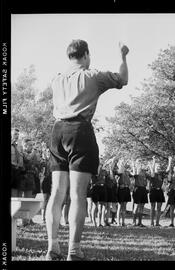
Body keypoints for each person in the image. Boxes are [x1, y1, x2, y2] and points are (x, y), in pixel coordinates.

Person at [45, 39, 129, 261]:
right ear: (85, 55)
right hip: (80, 130)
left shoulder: (56, 80)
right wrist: (123, 56)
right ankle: (74, 250)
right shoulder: (92, 76)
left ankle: (52, 248)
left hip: (57, 131)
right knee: (77, 194)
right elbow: (123, 79)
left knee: (56, 193)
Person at [148, 156, 166, 227]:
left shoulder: (161, 175)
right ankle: (152, 222)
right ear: (155, 167)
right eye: (157, 166)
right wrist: (154, 161)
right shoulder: (152, 174)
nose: (158, 167)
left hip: (160, 192)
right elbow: (152, 170)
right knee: (152, 207)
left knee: (159, 207)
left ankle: (157, 222)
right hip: (153, 191)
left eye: (159, 166)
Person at [114, 158, 131, 226]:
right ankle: (118, 222)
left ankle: (123, 222)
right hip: (121, 189)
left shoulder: (127, 172)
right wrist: (120, 163)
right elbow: (120, 171)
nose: (123, 164)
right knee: (120, 206)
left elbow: (133, 174)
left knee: (124, 206)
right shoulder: (119, 171)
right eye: (122, 163)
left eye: (124, 164)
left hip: (127, 189)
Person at [131, 158, 148, 227]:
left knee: (142, 206)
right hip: (137, 189)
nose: (140, 163)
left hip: (143, 189)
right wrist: (134, 166)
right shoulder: (135, 170)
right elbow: (134, 174)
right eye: (139, 162)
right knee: (136, 206)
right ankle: (134, 222)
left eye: (141, 162)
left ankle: (140, 222)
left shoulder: (144, 172)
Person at [40, 147, 52, 223]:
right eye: (47, 151)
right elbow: (41, 170)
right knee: (45, 199)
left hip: (53, 180)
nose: (49, 153)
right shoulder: (43, 161)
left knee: (51, 199)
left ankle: (49, 216)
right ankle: (43, 217)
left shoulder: (53, 160)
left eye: (49, 151)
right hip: (45, 180)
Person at [11, 128, 24, 197]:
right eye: (15, 134)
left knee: (15, 188)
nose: (17, 136)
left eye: (18, 134)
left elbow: (21, 157)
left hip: (17, 169)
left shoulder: (19, 146)